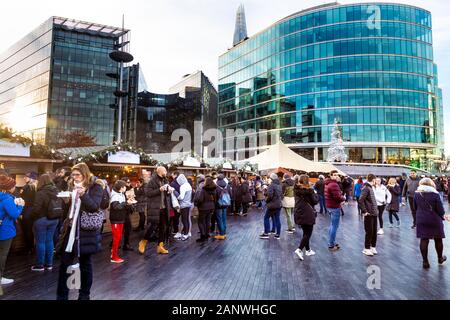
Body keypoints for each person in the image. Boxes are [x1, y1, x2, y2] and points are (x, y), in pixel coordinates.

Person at [56, 163, 105, 300]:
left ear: (85, 174)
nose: (75, 177)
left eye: (77, 175)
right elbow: (68, 210)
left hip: (85, 230)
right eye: (73, 175)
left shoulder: (96, 186)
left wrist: (83, 194)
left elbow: (94, 207)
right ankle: (62, 296)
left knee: (85, 264)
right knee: (64, 264)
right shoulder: (71, 185)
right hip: (70, 229)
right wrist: (66, 200)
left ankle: (84, 295)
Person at [30, 174, 61, 271]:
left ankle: (40, 265)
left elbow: (36, 209)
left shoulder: (40, 193)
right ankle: (49, 264)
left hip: (42, 220)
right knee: (49, 240)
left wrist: (31, 216)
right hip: (54, 219)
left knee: (40, 242)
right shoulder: (56, 191)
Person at [414, 178, 447, 269]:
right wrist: (443, 216)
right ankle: (440, 258)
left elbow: (414, 207)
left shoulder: (417, 194)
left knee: (424, 240)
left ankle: (425, 262)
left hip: (421, 219)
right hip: (434, 219)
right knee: (438, 239)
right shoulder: (435, 194)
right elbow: (440, 210)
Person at [138, 167, 172, 255]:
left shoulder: (165, 180)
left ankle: (160, 246)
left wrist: (169, 191)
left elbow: (166, 195)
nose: (166, 172)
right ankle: (143, 242)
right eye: (164, 171)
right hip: (155, 208)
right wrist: (159, 190)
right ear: (159, 172)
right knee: (153, 226)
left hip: (164, 207)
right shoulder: (152, 181)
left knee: (163, 227)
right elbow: (148, 193)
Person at [0, 175, 24, 285]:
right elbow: (14, 214)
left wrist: (14, 199)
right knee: (2, 255)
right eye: (13, 186)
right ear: (8, 188)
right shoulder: (7, 199)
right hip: (5, 231)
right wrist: (20, 206)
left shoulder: (6, 197)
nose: (15, 188)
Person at [293, 175, 319, 260]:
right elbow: (315, 201)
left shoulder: (296, 189)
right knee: (308, 233)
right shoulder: (309, 191)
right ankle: (299, 249)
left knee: (305, 232)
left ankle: (308, 250)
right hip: (308, 213)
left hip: (298, 212)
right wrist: (315, 193)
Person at [109, 180, 134, 263]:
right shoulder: (115, 195)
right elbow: (116, 207)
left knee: (118, 237)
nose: (126, 188)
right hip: (116, 219)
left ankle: (114, 254)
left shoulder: (121, 194)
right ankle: (114, 257)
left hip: (120, 218)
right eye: (124, 186)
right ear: (121, 188)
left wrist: (128, 204)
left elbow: (122, 206)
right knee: (117, 238)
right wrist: (126, 203)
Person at [325, 170, 346, 251]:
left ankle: (331, 242)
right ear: (331, 176)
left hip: (329, 206)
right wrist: (344, 198)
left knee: (332, 225)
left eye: (337, 175)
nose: (337, 176)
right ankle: (331, 244)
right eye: (334, 175)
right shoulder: (334, 184)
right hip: (334, 207)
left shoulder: (328, 183)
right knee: (334, 226)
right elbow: (337, 197)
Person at [358, 174, 379, 256]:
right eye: (375, 180)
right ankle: (366, 248)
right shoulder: (366, 188)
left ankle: (372, 247)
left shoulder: (369, 187)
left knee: (374, 231)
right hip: (369, 213)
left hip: (374, 213)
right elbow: (360, 200)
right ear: (373, 180)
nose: (376, 182)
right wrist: (364, 211)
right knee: (369, 231)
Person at [259, 173, 282, 240]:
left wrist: (266, 200)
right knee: (277, 218)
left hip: (272, 205)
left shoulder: (272, 185)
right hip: (278, 204)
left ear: (272, 178)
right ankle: (277, 234)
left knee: (266, 218)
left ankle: (266, 233)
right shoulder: (279, 185)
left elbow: (270, 196)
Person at [194, 177, 217, 242]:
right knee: (208, 221)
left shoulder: (204, 190)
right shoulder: (214, 189)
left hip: (203, 208)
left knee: (201, 222)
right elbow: (215, 199)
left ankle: (203, 236)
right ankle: (207, 234)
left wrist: (197, 204)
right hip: (211, 207)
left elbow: (200, 199)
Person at [20, 172, 37, 254]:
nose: (24, 178)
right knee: (30, 230)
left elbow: (23, 201)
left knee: (26, 230)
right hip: (32, 211)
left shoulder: (27, 187)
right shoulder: (36, 187)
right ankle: (31, 248)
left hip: (26, 211)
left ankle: (28, 249)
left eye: (26, 177)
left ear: (31, 178)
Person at [173, 174, 193, 241]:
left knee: (184, 220)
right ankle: (186, 233)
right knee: (186, 220)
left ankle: (185, 234)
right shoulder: (188, 185)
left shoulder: (183, 186)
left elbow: (181, 197)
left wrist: (174, 192)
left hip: (183, 205)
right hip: (188, 204)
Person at [215, 174, 231, 240]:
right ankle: (224, 232)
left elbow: (215, 196)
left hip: (218, 205)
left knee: (219, 219)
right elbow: (230, 194)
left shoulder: (216, 186)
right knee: (224, 218)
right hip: (226, 204)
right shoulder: (227, 185)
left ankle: (221, 234)